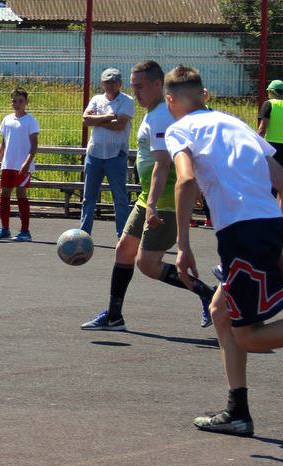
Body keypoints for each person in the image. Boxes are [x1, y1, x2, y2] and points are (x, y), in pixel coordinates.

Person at [164, 65, 283, 436]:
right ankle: (237, 411)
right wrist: (276, 245)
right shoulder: (237, 125)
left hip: (240, 232)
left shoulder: (179, 129)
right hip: (265, 226)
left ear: (171, 101)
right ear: (204, 94)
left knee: (247, 334)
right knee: (220, 311)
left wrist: (182, 247)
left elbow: (185, 180)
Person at [81, 61, 215, 333]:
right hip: (148, 197)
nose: (136, 92)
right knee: (124, 250)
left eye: (140, 87)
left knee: (148, 265)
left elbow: (163, 164)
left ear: (157, 85)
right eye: (134, 87)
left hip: (165, 202)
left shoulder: (161, 116)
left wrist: (152, 205)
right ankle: (114, 316)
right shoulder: (154, 112)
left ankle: (209, 294)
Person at [80, 68, 134, 238]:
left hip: (116, 155)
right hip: (94, 154)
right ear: (102, 83)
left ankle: (122, 235)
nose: (110, 85)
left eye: (113, 82)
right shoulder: (96, 99)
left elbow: (120, 126)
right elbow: (85, 120)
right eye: (106, 82)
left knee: (120, 198)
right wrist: (108, 117)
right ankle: (83, 234)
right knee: (88, 198)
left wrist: (97, 120)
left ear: (120, 84)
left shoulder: (127, 101)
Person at [0, 88, 40, 242]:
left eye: (20, 101)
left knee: (20, 194)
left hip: (23, 166)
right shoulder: (7, 119)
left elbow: (34, 145)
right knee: (4, 194)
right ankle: (5, 229)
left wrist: (27, 162)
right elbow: (3, 144)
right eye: (14, 101)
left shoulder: (31, 120)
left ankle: (25, 231)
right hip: (8, 165)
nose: (17, 104)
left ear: (26, 102)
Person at [257, 79, 283, 170]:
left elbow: (261, 130)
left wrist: (256, 150)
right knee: (281, 183)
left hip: (269, 149)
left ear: (271, 92)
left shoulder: (268, 104)